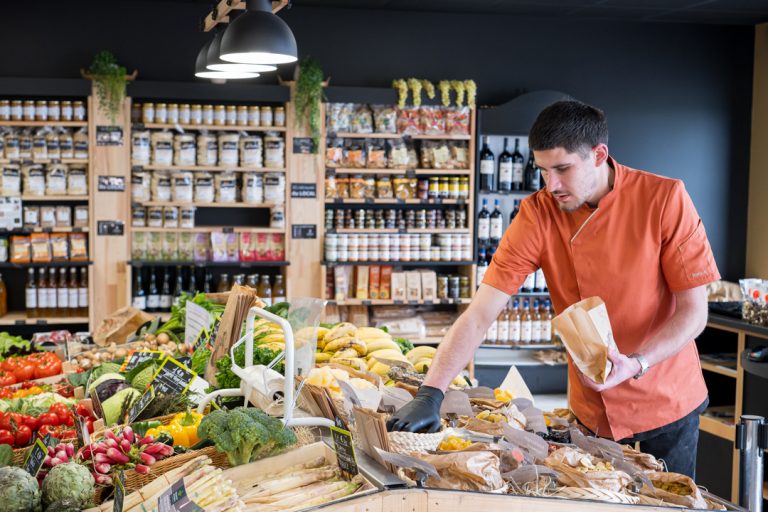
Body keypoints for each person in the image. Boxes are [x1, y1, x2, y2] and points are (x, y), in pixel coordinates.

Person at [386, 100, 720, 478]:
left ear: (599, 155)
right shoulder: (537, 214)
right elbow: (480, 313)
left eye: (562, 169)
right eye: (543, 170)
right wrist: (431, 392)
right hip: (592, 409)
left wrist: (637, 362)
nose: (552, 186)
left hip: (665, 397)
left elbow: (694, 312)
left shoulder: (664, 199)